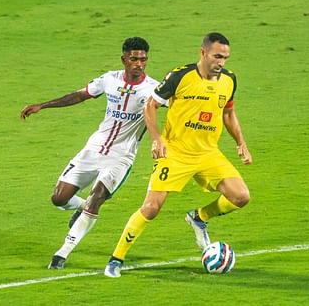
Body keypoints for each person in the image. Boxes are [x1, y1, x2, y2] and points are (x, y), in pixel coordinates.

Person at [104, 32, 252, 278]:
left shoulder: (229, 80)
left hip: (208, 154)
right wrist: (156, 139)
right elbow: (150, 105)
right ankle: (115, 259)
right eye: (217, 56)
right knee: (151, 207)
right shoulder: (180, 76)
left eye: (225, 57)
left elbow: (228, 113)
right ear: (202, 53)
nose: (221, 62)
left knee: (241, 196)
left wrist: (241, 143)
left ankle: (199, 218)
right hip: (175, 153)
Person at [20, 37, 159, 269]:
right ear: (124, 59)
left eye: (143, 59)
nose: (139, 64)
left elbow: (175, 107)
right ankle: (82, 207)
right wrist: (43, 105)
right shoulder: (109, 79)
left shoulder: (153, 89)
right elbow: (79, 95)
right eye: (134, 59)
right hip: (93, 149)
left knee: (97, 198)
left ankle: (62, 253)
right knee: (59, 199)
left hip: (120, 157)